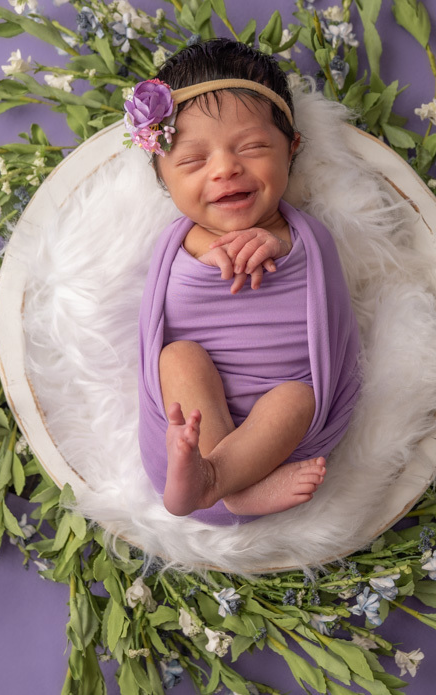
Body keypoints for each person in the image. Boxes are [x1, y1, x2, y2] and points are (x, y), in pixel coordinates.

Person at [134, 38, 362, 525]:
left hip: (280, 440)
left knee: (297, 398)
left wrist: (276, 244)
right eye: (193, 161)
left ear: (291, 148)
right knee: (177, 357)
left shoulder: (308, 236)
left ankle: (224, 480)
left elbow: (330, 311)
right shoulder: (177, 244)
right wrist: (208, 252)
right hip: (192, 440)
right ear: (162, 173)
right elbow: (155, 329)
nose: (225, 169)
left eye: (253, 147)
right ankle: (211, 478)